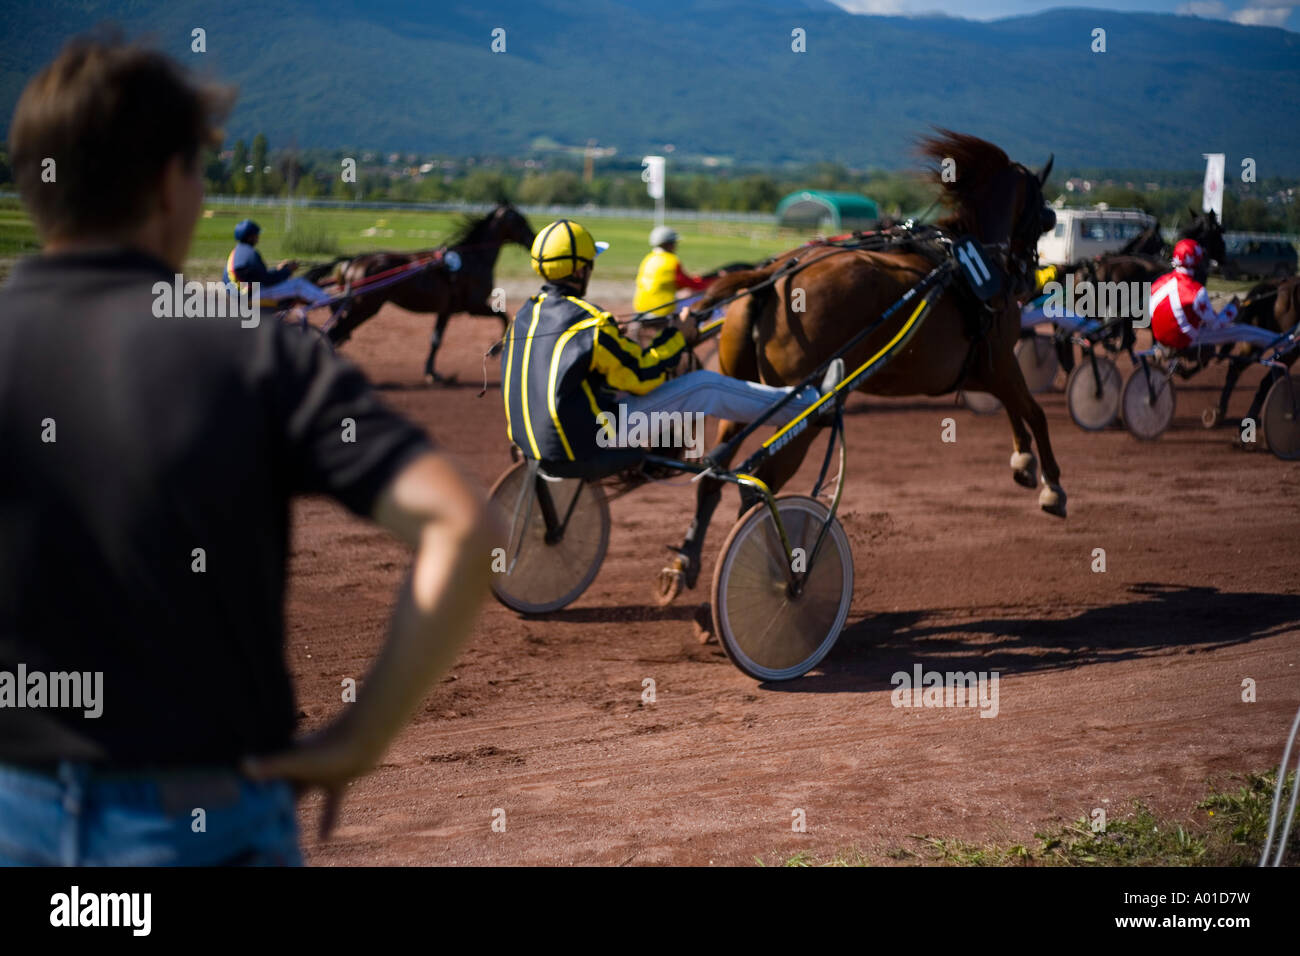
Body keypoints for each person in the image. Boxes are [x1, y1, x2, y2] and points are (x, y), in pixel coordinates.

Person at [0, 37, 492, 865]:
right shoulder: (257, 355)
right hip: (203, 819)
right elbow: (459, 524)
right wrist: (360, 738)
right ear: (167, 182)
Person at [502, 219, 840, 467]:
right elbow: (643, 376)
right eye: (591, 263)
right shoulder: (590, 322)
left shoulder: (524, 315)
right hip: (588, 440)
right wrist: (681, 337)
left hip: (529, 437)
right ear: (579, 271)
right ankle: (810, 404)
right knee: (704, 386)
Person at [225, 218, 333, 318]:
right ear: (250, 237)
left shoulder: (237, 252)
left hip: (239, 294)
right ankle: (329, 301)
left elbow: (258, 275)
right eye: (256, 235)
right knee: (298, 284)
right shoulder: (251, 254)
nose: (258, 237)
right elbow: (268, 280)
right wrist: (287, 271)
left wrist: (278, 269)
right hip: (251, 295)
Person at [1148, 239, 1242, 352]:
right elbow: (1216, 325)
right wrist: (1232, 309)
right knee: (1243, 330)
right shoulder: (1196, 291)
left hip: (1160, 337)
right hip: (1183, 339)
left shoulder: (1159, 282)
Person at [633, 225, 711, 318]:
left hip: (640, 306)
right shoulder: (671, 261)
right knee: (703, 300)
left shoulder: (648, 258)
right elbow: (689, 284)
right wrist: (709, 283)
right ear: (668, 244)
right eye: (674, 243)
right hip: (662, 309)